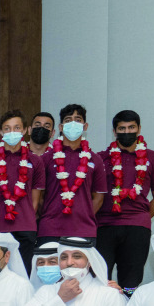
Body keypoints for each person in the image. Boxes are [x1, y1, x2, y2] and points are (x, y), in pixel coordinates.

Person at [96, 110, 154, 290]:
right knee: (98, 280)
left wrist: (141, 217)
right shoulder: (100, 158)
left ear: (139, 129)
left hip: (137, 228)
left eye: (131, 127)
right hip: (103, 226)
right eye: (122, 128)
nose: (127, 131)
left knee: (131, 281)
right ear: (114, 131)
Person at [37, 104, 106, 243]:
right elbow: (39, 196)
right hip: (50, 229)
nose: (73, 124)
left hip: (84, 230)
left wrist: (84, 215)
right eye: (68, 120)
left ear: (85, 126)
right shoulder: (46, 158)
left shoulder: (95, 159)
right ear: (61, 127)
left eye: (78, 120)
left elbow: (98, 197)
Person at [0, 110, 46, 270]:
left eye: (16, 128)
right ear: (0, 132)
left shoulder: (35, 161)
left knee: (24, 274)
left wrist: (26, 218)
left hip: (26, 228)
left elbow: (35, 199)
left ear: (26, 130)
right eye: (7, 128)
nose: (12, 132)